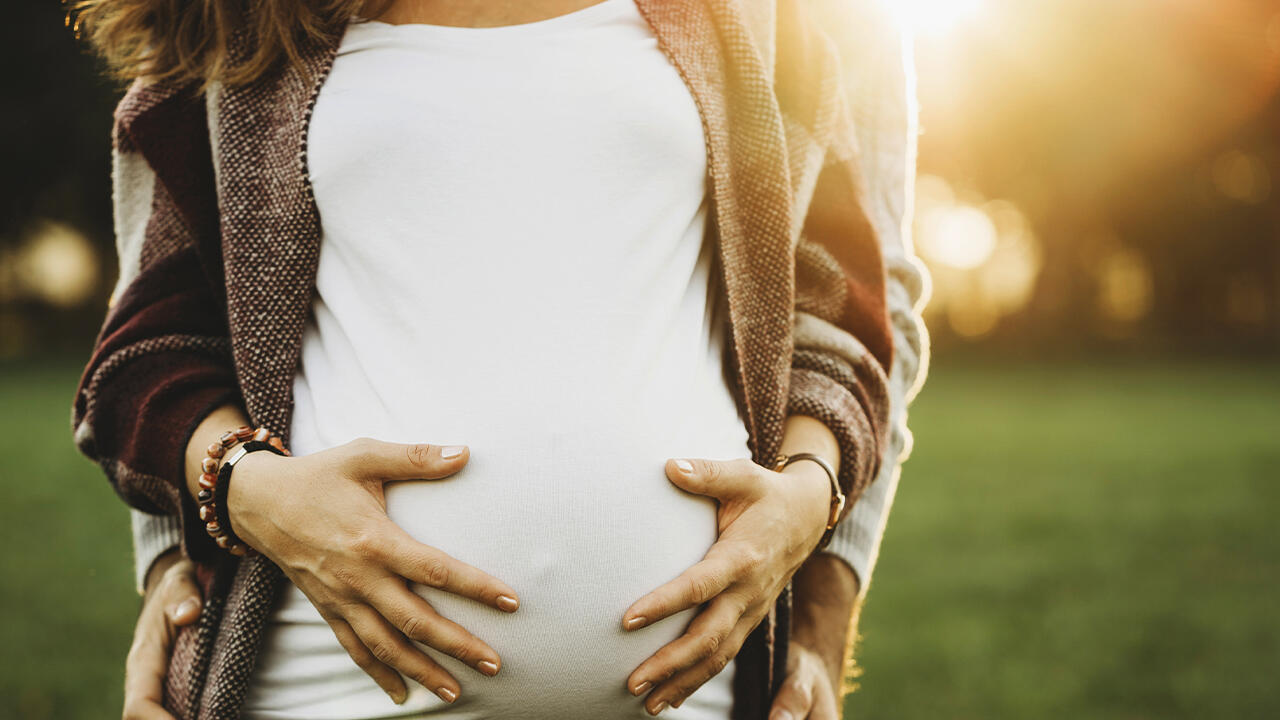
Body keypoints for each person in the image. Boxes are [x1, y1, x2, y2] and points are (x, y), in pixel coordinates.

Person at [69, 0, 928, 718]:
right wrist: (236, 496)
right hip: (319, 685)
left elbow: (843, 312)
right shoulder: (250, 18)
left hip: (692, 692)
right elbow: (151, 345)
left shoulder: (776, 24)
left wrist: (810, 502)